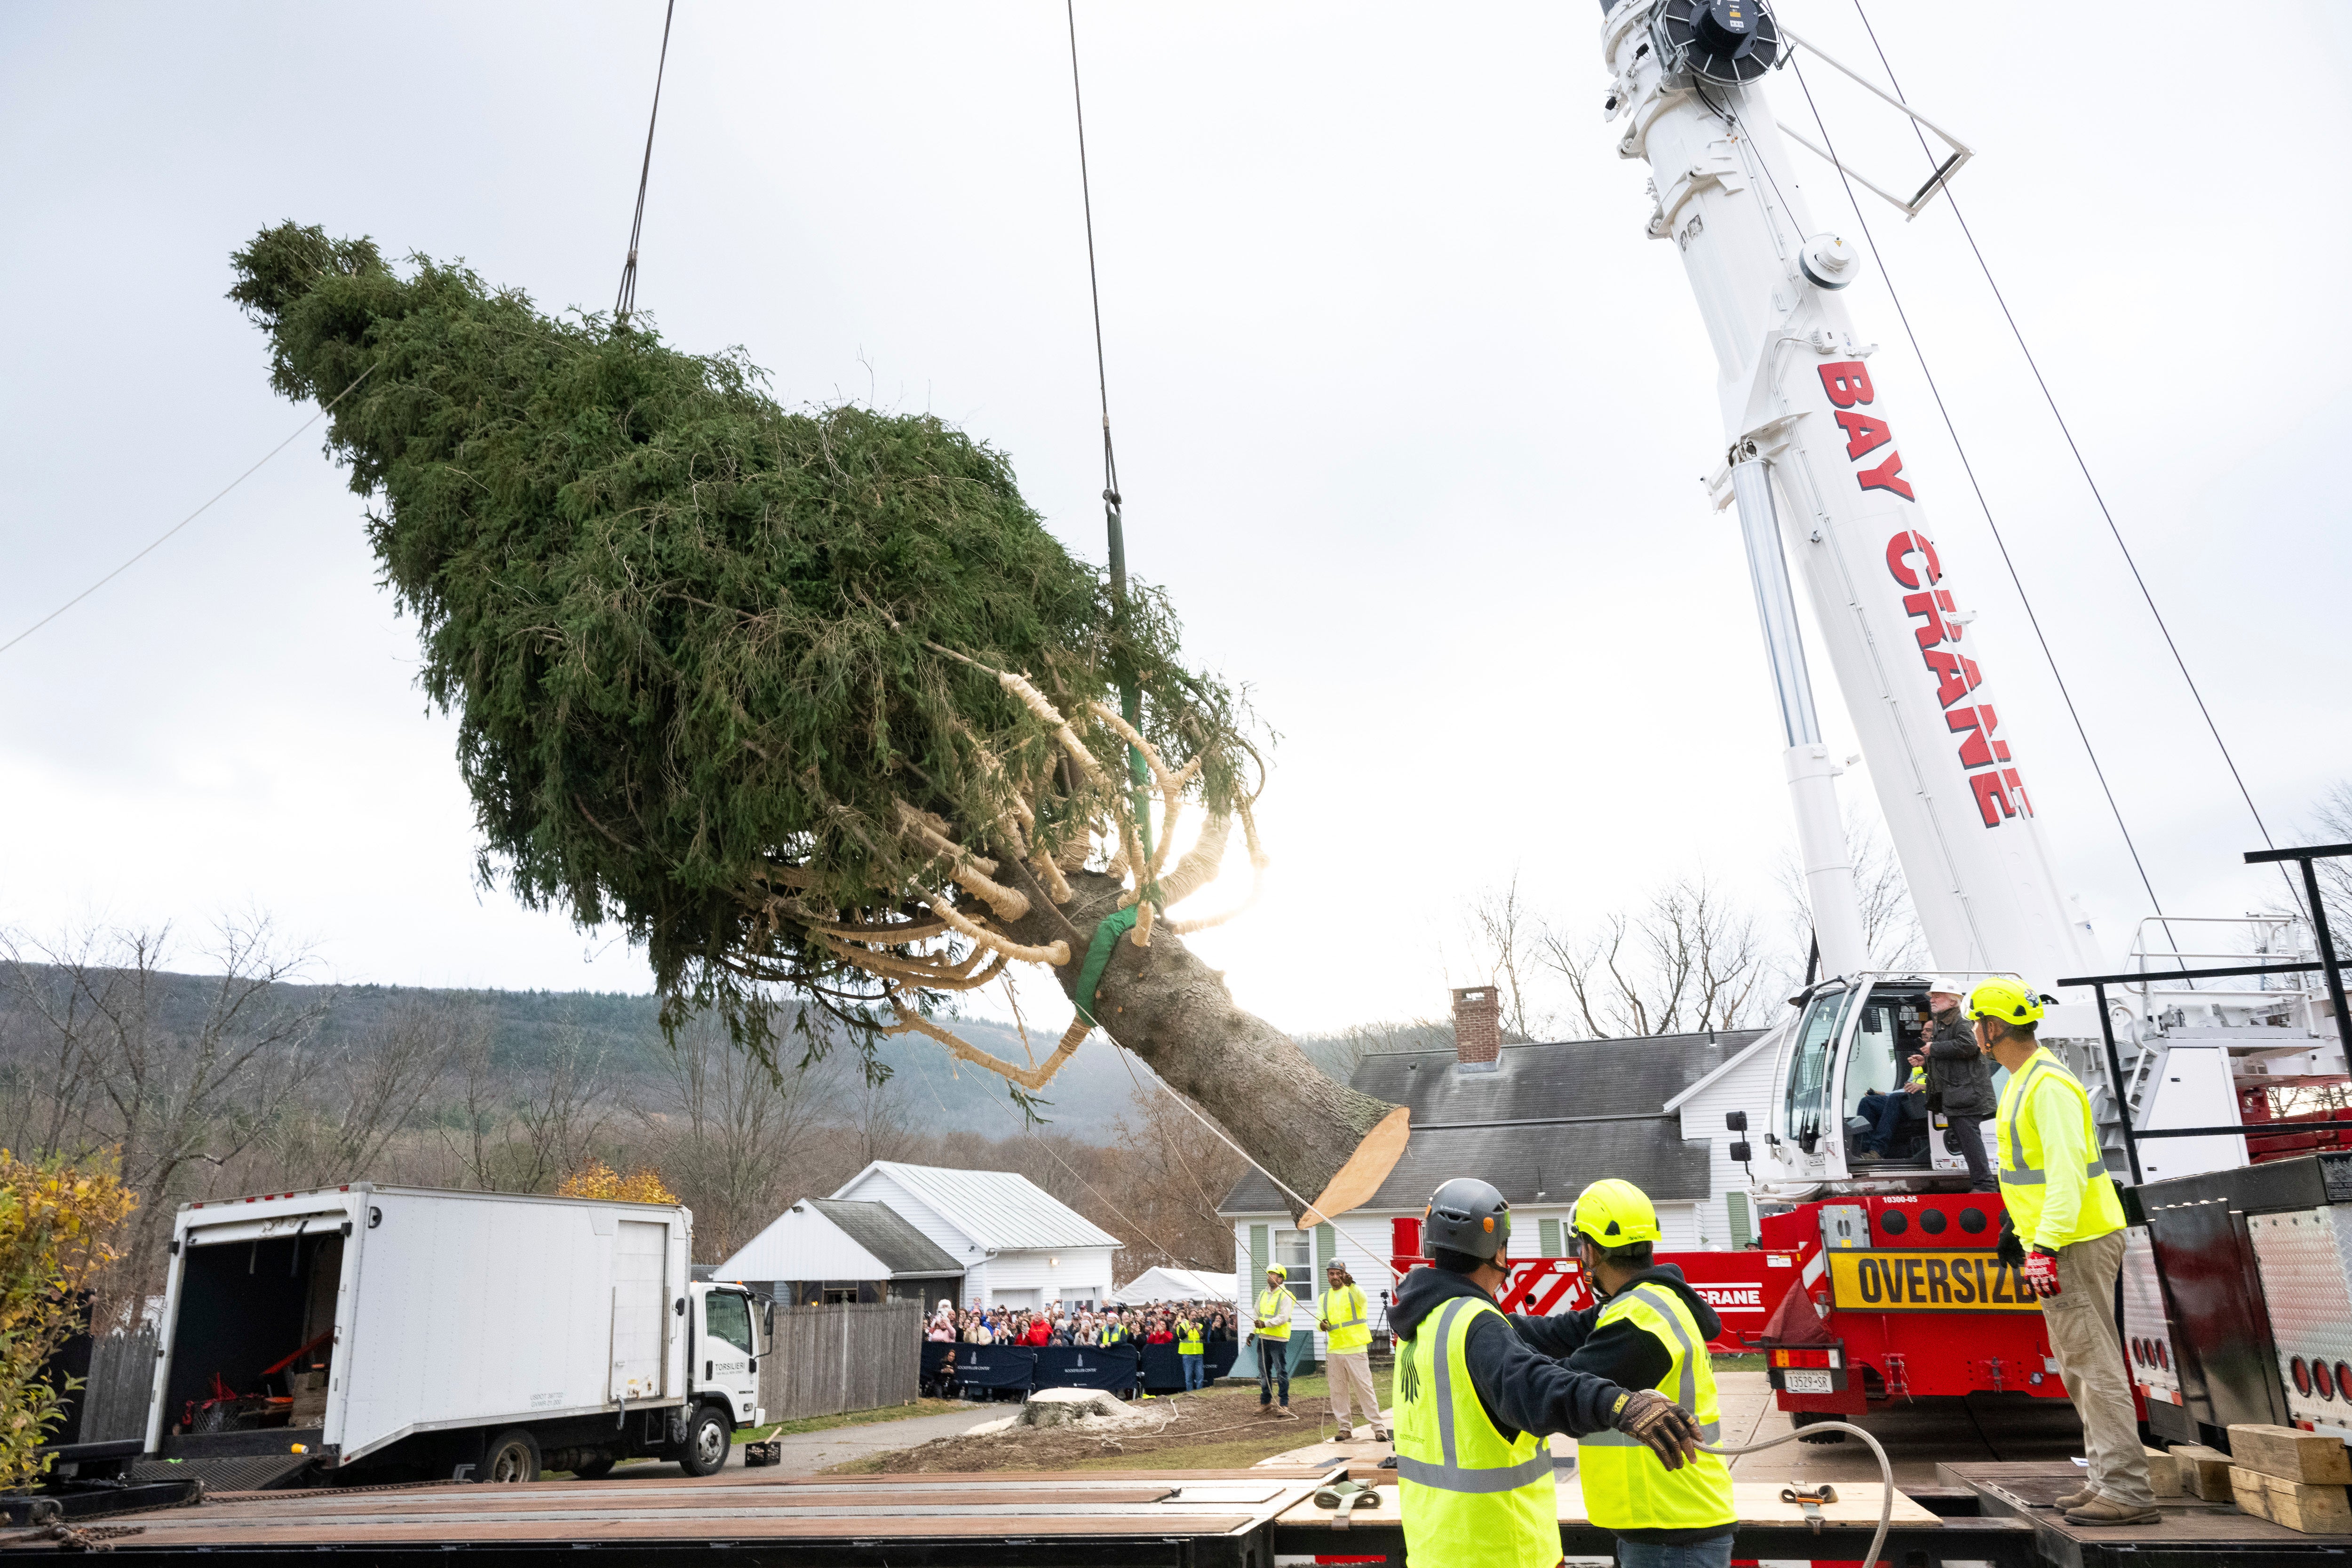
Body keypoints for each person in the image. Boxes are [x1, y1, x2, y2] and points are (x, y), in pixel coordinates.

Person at [1392, 1178, 1703, 1568]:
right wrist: (1619, 1403)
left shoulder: (1425, 1321)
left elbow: (1546, 1339)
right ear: (1498, 1251)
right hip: (1501, 1549)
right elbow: (1535, 1386)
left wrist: (1502, 1326)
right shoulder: (1476, 1325)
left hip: (1437, 1547)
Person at [1971, 978, 2159, 1527]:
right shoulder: (2022, 1081)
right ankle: (2105, 1480)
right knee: (2078, 1365)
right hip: (2062, 1239)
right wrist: (2018, 1226)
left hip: (2074, 1241)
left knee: (2093, 1365)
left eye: (1976, 1023)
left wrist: (2044, 1245)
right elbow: (2030, 1174)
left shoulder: (2045, 1086)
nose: (1973, 1033)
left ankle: (2126, 1490)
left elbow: (2066, 1175)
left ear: (1994, 1028)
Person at [1502, 1179, 1738, 1567]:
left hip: (1671, 1530)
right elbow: (1554, 1332)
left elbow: (1565, 1383)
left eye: (1580, 1244)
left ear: (1591, 1250)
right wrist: (1484, 1321)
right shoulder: (1641, 1304)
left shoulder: (1639, 1325)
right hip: (1673, 1521)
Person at [1917, 978, 1999, 1190]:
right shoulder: (1945, 1022)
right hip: (1959, 1095)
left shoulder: (1961, 1021)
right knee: (1966, 1142)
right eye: (1932, 996)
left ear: (1953, 1001)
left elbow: (1970, 1045)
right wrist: (1926, 1061)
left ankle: (1985, 1186)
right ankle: (1982, 1184)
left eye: (1938, 996)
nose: (1932, 1000)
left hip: (1966, 1095)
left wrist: (1934, 1049)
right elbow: (1952, 1060)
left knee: (1970, 1143)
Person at [1319, 1261, 1385, 1442]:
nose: (1334, 1277)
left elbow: (1363, 1300)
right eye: (1331, 1274)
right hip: (1335, 1350)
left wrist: (1352, 1284)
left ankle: (1379, 1429)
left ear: (1344, 1273)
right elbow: (1319, 1319)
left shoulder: (1354, 1291)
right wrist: (1322, 1324)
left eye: (1337, 1273)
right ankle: (1344, 1429)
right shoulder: (1324, 1298)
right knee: (1338, 1392)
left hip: (1356, 1348)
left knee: (1365, 1389)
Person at [1853, 1060, 1929, 1158]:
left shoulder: (1944, 1063)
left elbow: (1945, 1088)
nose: (1924, 1048)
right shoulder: (1920, 1065)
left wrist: (1922, 1087)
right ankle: (1863, 1151)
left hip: (1927, 1106)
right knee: (1868, 1102)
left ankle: (1876, 1151)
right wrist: (1884, 1094)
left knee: (1896, 1099)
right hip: (1910, 1103)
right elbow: (1906, 1089)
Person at [1253, 1265, 1295, 1412]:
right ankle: (1266, 1403)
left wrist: (1265, 1324)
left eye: (1273, 1274)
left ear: (1281, 1278)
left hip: (1279, 1339)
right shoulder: (1263, 1294)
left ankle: (1284, 1404)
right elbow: (1256, 1313)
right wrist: (1253, 1332)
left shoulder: (1286, 1295)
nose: (1270, 1276)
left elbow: (1283, 1318)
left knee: (1280, 1371)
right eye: (1269, 1274)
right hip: (1263, 1338)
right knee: (1264, 1371)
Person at [1176, 1311, 1207, 1391]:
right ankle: (1190, 1395)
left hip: (1198, 1354)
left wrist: (1198, 1330)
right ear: (1189, 1316)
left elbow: (1204, 1337)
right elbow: (1181, 1336)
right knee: (1189, 1376)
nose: (1194, 1317)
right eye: (1192, 1315)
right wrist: (1189, 1328)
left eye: (1195, 1315)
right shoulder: (1183, 1325)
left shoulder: (1200, 1326)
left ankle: (1199, 1393)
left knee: (1200, 1376)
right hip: (1188, 1355)